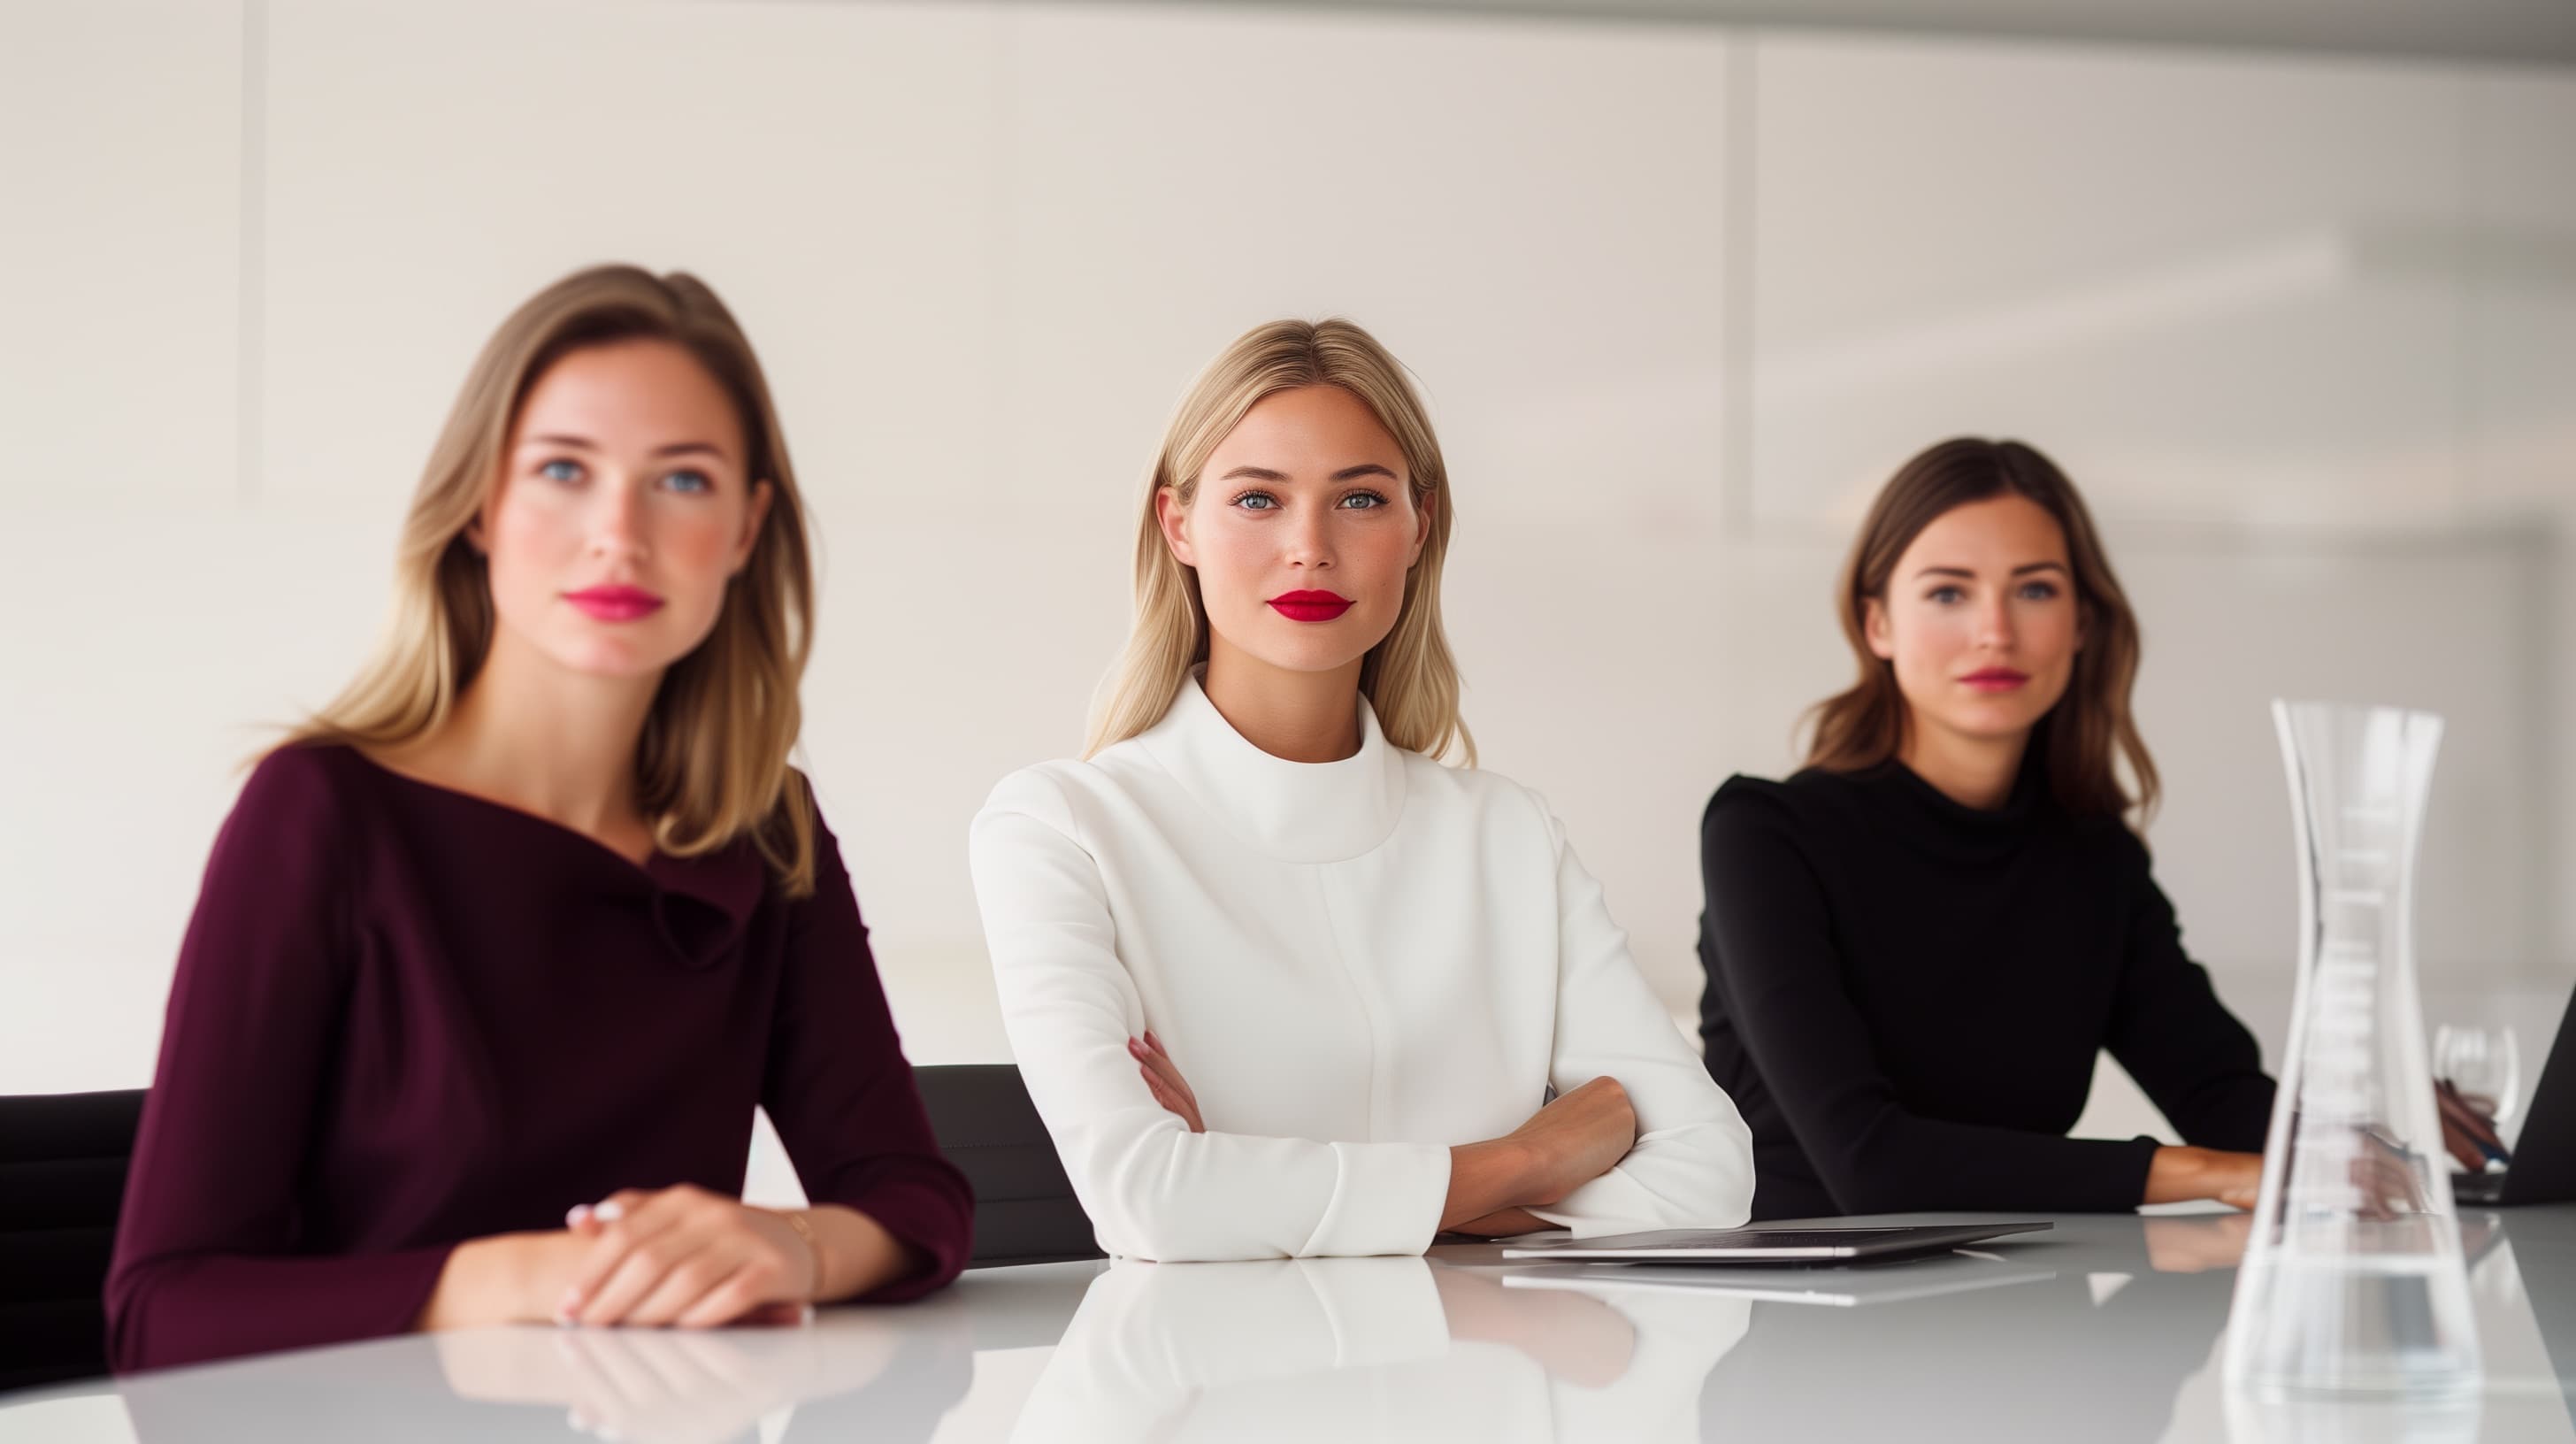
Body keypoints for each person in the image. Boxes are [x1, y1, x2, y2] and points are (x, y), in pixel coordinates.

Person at [106, 265, 971, 1372]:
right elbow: (162, 1311)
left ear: (748, 528)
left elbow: (916, 1203)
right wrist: (523, 1278)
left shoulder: (763, 830)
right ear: (481, 504)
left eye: (684, 481)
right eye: (564, 470)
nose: (619, 535)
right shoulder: (323, 814)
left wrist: (787, 1248)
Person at [970, 319, 1752, 1262]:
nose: (1309, 547)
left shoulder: (1504, 834)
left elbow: (1712, 1172)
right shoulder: (1060, 828)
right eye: (1258, 498)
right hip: (1209, 1398)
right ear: (1176, 524)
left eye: (1359, 500)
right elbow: (1151, 1201)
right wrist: (1521, 1163)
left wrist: (1257, 1188)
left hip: (1484, 1392)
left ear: (1418, 526)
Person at [1696, 436, 2275, 1220]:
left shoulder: (2094, 862)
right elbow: (1873, 1168)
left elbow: (2229, 1102)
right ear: (1878, 625)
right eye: (1948, 593)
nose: (1995, 632)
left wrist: (2371, 1129)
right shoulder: (1766, 835)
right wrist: (2206, 1173)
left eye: (2034, 591)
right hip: (1810, 1322)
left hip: (2032, 1308)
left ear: (2080, 624)